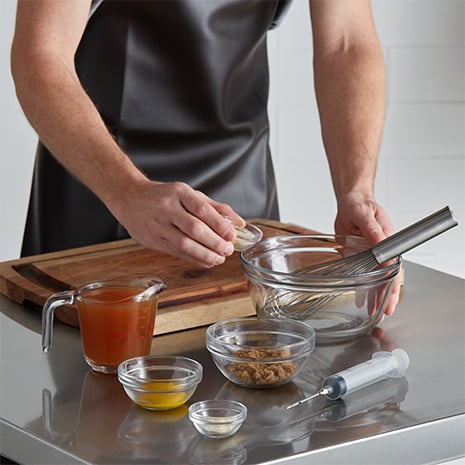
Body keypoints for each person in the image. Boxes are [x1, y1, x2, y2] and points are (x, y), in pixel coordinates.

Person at [11, 0, 400, 314]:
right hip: (102, 195)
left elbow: (346, 42)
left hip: (242, 203)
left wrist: (356, 190)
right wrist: (126, 191)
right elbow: (40, 56)